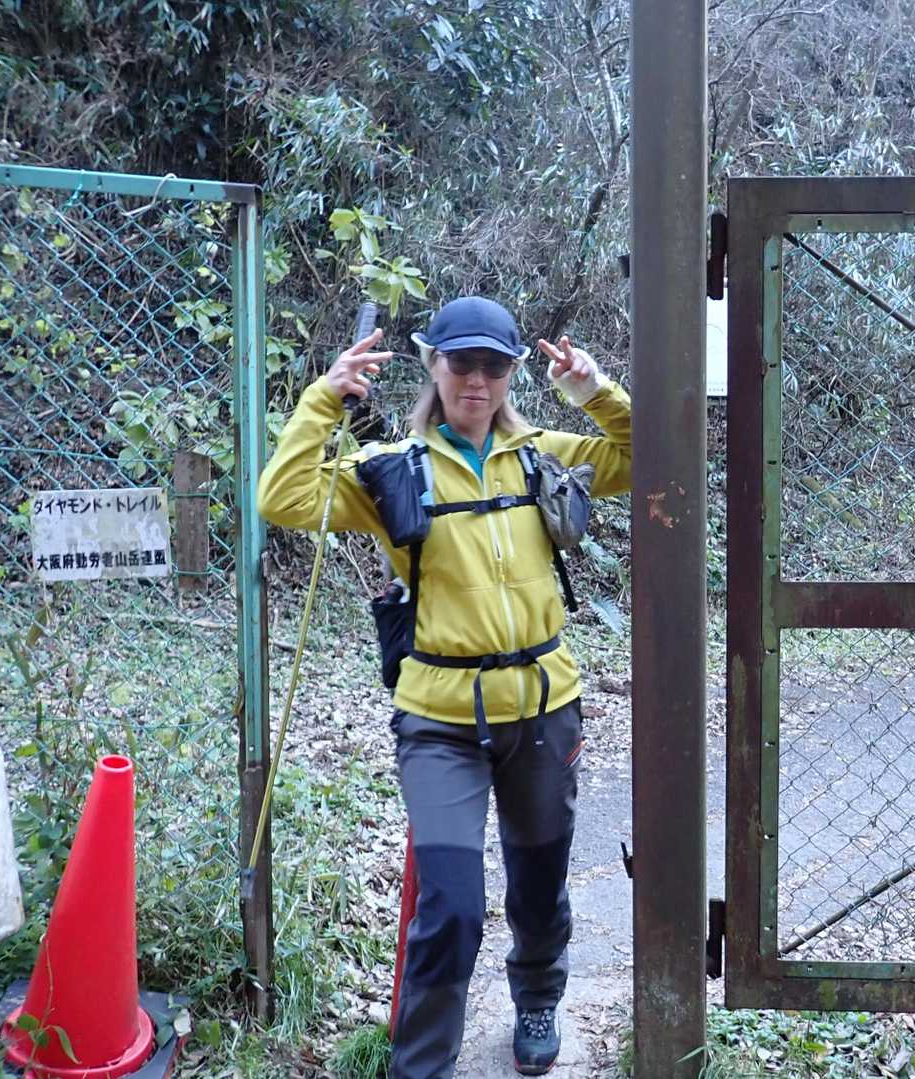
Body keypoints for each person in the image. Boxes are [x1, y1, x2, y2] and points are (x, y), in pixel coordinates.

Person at [256, 296, 630, 1078]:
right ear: (434, 364)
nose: (476, 381)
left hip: (543, 708)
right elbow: (281, 498)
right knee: (451, 907)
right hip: (438, 721)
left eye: (494, 365)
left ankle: (537, 999)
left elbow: (652, 456)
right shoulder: (393, 469)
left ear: (513, 373)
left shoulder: (541, 456)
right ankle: (421, 1064)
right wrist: (325, 396)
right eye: (462, 363)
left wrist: (594, 392)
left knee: (539, 883)